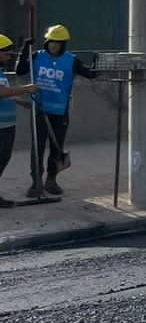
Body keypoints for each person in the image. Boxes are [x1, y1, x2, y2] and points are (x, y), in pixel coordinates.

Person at [28, 25, 96, 198]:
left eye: (57, 43)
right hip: (39, 109)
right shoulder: (36, 56)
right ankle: (36, 181)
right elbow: (21, 69)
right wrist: (23, 50)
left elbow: (90, 74)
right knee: (37, 147)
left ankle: (51, 180)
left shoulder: (71, 60)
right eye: (51, 41)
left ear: (63, 44)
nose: (53, 45)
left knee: (56, 148)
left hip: (60, 111)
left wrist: (98, 62)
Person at [0, 35, 41, 208]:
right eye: (6, 53)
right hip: (1, 126)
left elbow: (4, 92)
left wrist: (19, 100)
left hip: (7, 124)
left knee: (3, 159)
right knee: (1, 159)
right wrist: (25, 88)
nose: (9, 57)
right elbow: (0, 92)